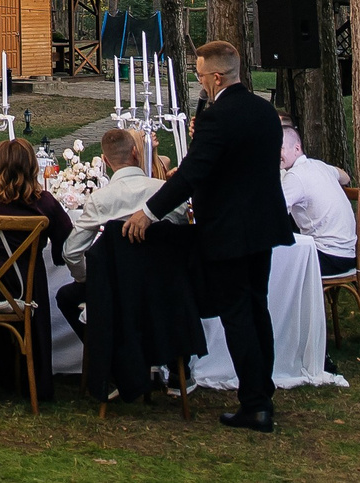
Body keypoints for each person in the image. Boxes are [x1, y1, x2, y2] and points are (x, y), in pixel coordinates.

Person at [122, 40, 293, 432]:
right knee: (256, 308)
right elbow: (241, 164)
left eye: (200, 77)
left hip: (229, 229)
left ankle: (254, 403)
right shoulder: (265, 112)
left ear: (217, 77)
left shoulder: (218, 118)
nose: (199, 84)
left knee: (237, 315)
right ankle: (262, 394)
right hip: (264, 225)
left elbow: (193, 174)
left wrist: (149, 212)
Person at [0, 137, 71, 395]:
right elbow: (66, 242)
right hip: (25, 289)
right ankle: (32, 375)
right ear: (33, 167)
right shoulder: (46, 203)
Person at [55, 128, 164, 337]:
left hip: (116, 288)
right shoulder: (165, 191)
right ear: (136, 152)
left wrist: (86, 278)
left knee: (66, 296)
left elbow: (71, 252)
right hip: (165, 286)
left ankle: (103, 353)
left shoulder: (101, 199)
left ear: (104, 160)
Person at [279, 123, 358, 278]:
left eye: (280, 148)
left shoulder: (294, 177)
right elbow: (345, 177)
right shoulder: (319, 166)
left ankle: (288, 302)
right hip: (348, 254)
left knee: (268, 261)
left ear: (297, 148)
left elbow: (275, 216)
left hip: (326, 256)